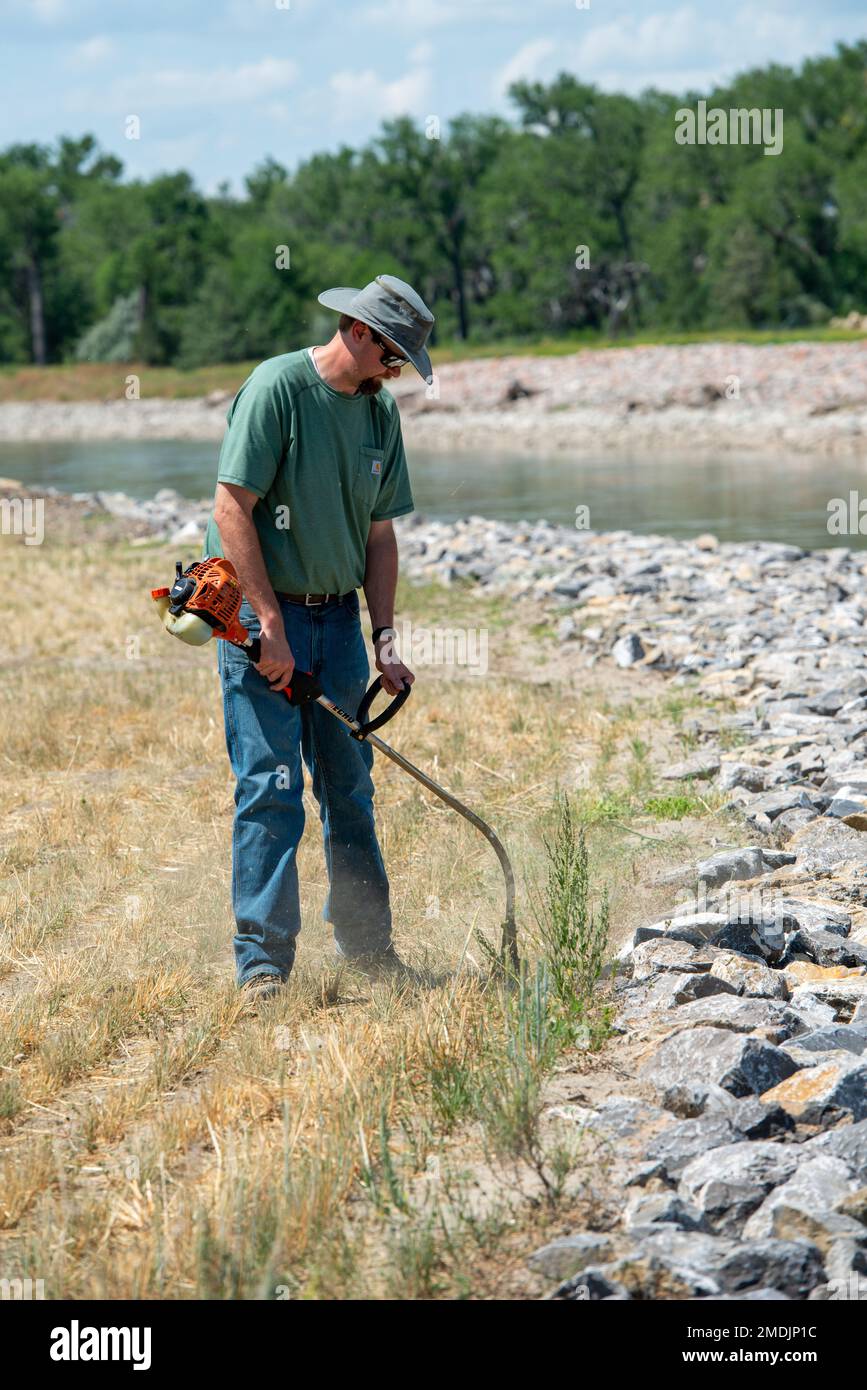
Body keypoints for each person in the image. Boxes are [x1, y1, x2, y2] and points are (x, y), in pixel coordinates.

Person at [201, 274, 435, 1003]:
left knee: (349, 790)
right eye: (393, 353)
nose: (395, 370)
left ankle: (368, 951)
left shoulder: (378, 416)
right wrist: (266, 626)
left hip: (336, 623)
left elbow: (380, 534)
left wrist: (384, 637)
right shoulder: (276, 388)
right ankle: (263, 968)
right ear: (358, 331)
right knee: (271, 788)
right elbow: (232, 507)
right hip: (258, 617)